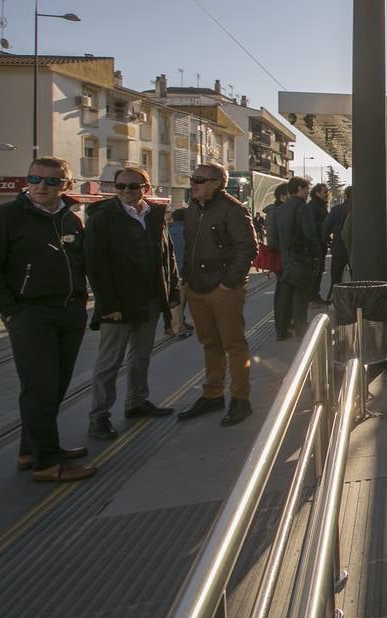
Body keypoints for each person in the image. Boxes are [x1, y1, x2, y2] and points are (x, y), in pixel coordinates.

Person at [0, 158, 96, 481]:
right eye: (35, 178)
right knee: (39, 386)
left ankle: (31, 450)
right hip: (31, 313)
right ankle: (47, 463)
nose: (41, 186)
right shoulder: (2, 218)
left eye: (51, 181)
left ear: (66, 185)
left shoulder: (70, 220)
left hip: (69, 311)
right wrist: (9, 308)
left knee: (56, 385)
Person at [83, 166, 180, 440]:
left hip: (149, 298)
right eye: (121, 186)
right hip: (118, 302)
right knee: (109, 361)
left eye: (133, 186)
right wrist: (108, 304)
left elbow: (167, 256)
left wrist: (171, 295)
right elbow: (95, 265)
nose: (126, 191)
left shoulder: (155, 215)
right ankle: (99, 417)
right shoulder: (103, 217)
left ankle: (136, 401)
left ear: (145, 189)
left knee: (140, 355)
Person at [178, 163, 258, 427]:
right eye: (193, 179)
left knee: (233, 344)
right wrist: (187, 282)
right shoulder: (193, 210)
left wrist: (229, 283)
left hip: (222, 289)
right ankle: (213, 394)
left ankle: (240, 399)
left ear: (216, 182)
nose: (193, 183)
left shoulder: (233, 209)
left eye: (199, 179)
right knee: (209, 342)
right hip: (197, 287)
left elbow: (248, 247)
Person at [271, 176, 319, 340]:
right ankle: (301, 331)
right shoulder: (303, 208)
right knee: (301, 297)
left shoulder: (279, 210)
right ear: (299, 189)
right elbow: (309, 234)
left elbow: (274, 237)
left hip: (286, 258)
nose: (307, 193)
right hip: (301, 258)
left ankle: (281, 331)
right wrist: (316, 254)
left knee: (285, 296)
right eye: (306, 189)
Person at [322, 186, 351, 299]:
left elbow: (325, 227)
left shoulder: (336, 209)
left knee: (336, 277)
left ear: (345, 195)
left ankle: (337, 300)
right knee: (357, 278)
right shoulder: (361, 209)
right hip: (355, 248)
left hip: (339, 247)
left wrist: (328, 241)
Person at [167, 208, 193, 337]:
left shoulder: (167, 231)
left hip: (170, 272)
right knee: (181, 301)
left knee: (176, 300)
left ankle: (179, 322)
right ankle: (178, 328)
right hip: (184, 271)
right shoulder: (189, 233)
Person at [307, 183, 331, 304]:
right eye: (325, 192)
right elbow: (311, 225)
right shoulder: (313, 206)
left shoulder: (321, 205)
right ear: (317, 193)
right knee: (315, 271)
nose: (327, 194)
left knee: (319, 270)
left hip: (321, 243)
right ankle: (312, 297)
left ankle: (315, 295)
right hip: (315, 244)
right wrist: (325, 225)